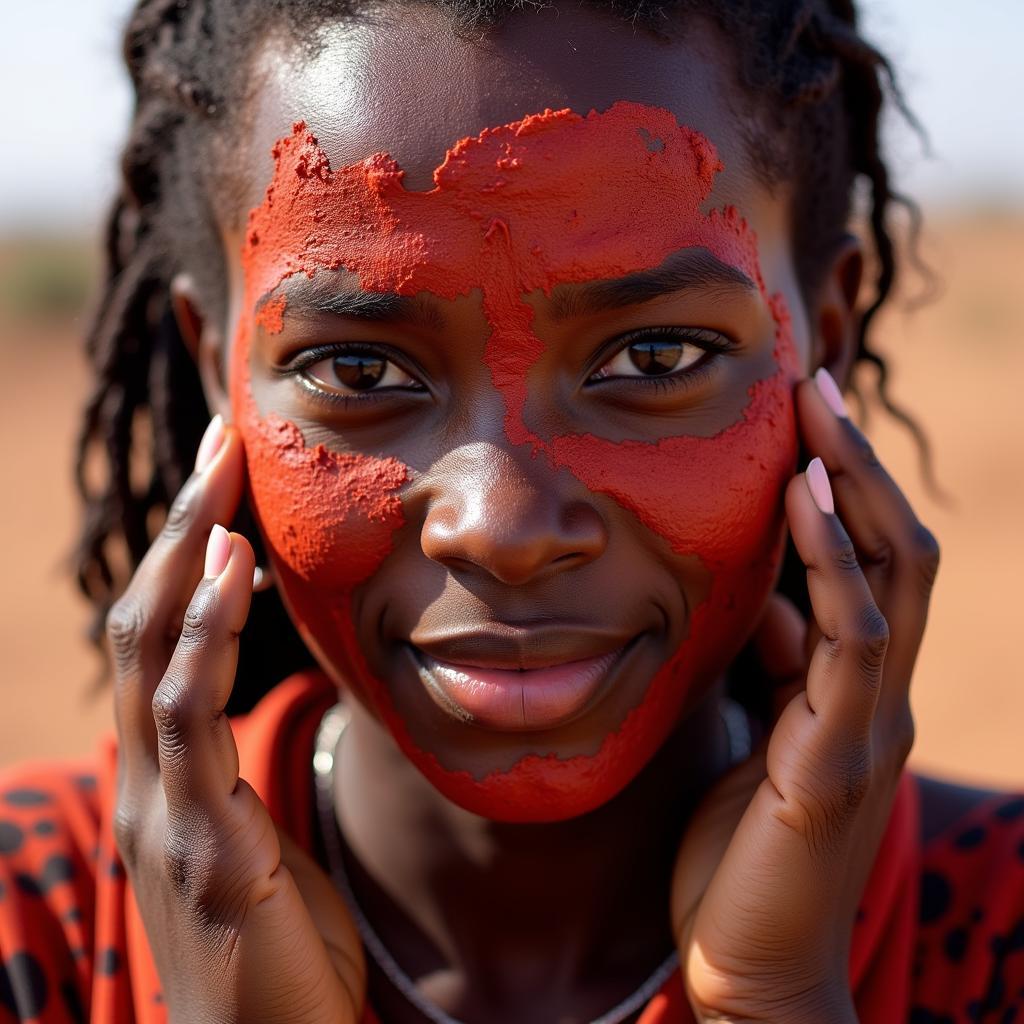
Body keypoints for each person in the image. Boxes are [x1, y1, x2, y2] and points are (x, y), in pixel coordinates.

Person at [1, 0, 1022, 1020]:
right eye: (357, 368)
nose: (502, 527)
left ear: (824, 344)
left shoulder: (996, 919)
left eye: (654, 357)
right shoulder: (33, 922)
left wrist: (776, 1000)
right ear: (215, 372)